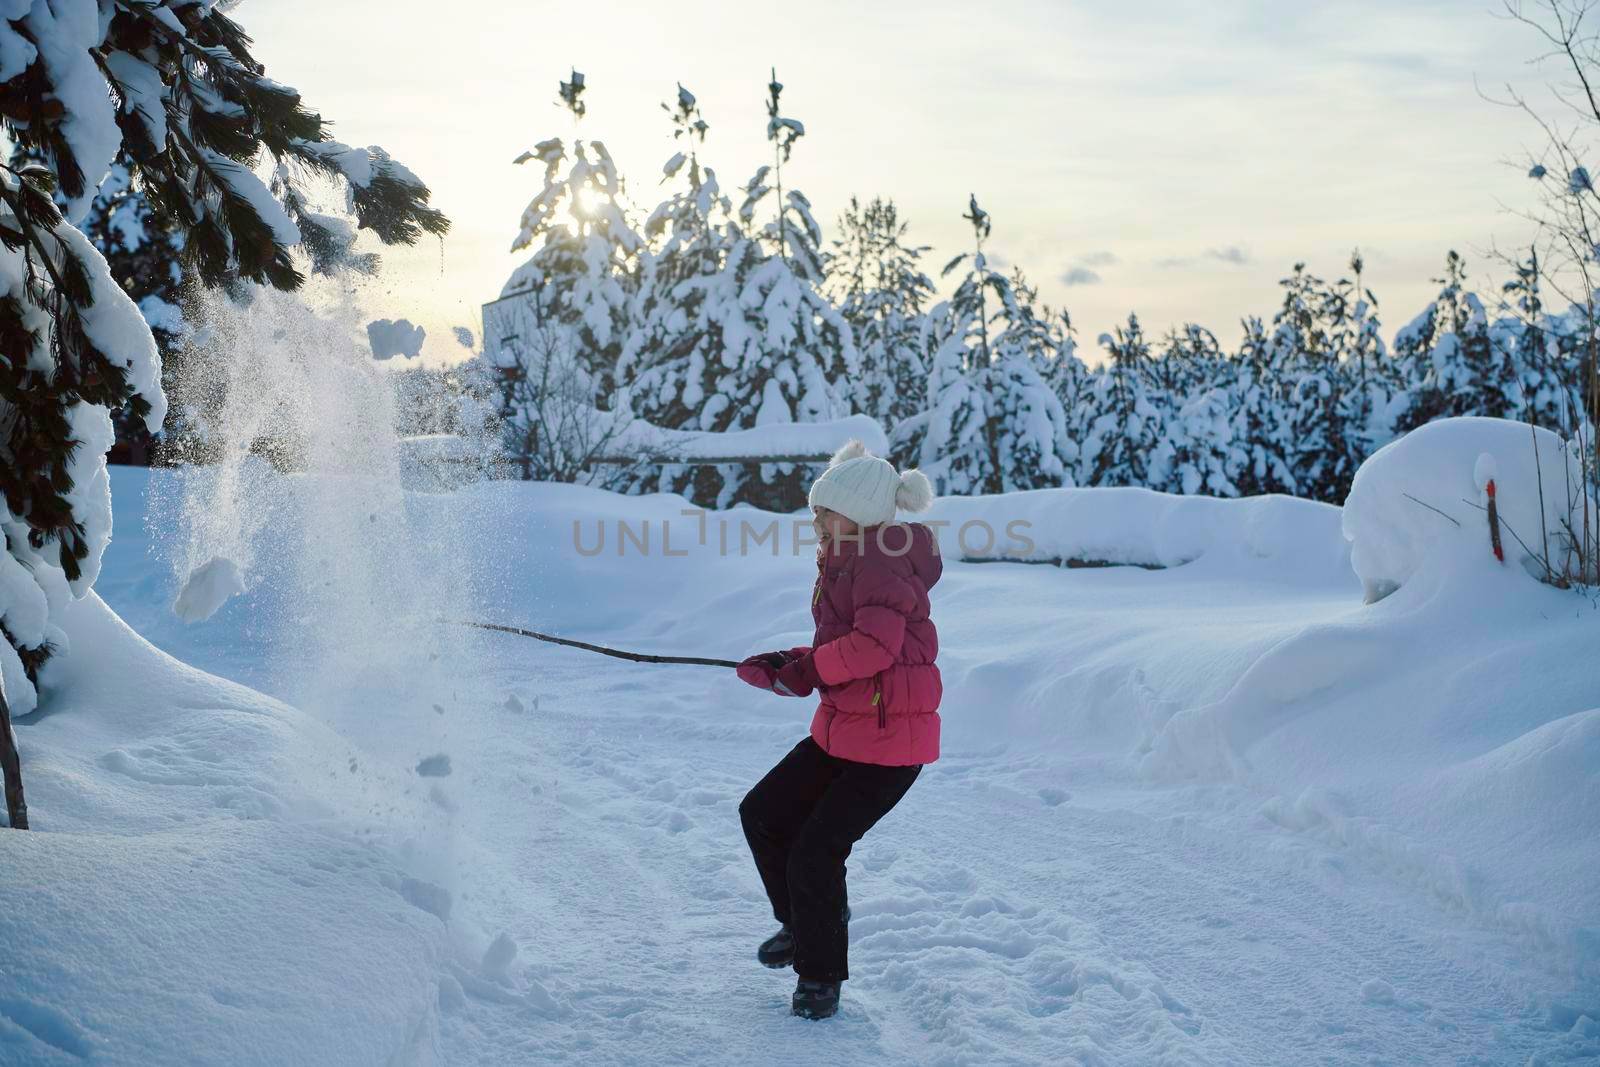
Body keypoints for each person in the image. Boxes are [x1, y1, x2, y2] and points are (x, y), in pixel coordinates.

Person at [735, 439, 943, 1020]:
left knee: (815, 850)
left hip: (890, 747)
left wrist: (806, 672)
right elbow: (847, 646)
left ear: (858, 512)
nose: (817, 519)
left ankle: (820, 975)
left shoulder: (880, 560)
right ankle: (806, 927)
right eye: (816, 510)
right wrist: (788, 662)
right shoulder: (848, 560)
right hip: (847, 729)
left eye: (826, 509)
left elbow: (877, 647)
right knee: (764, 812)